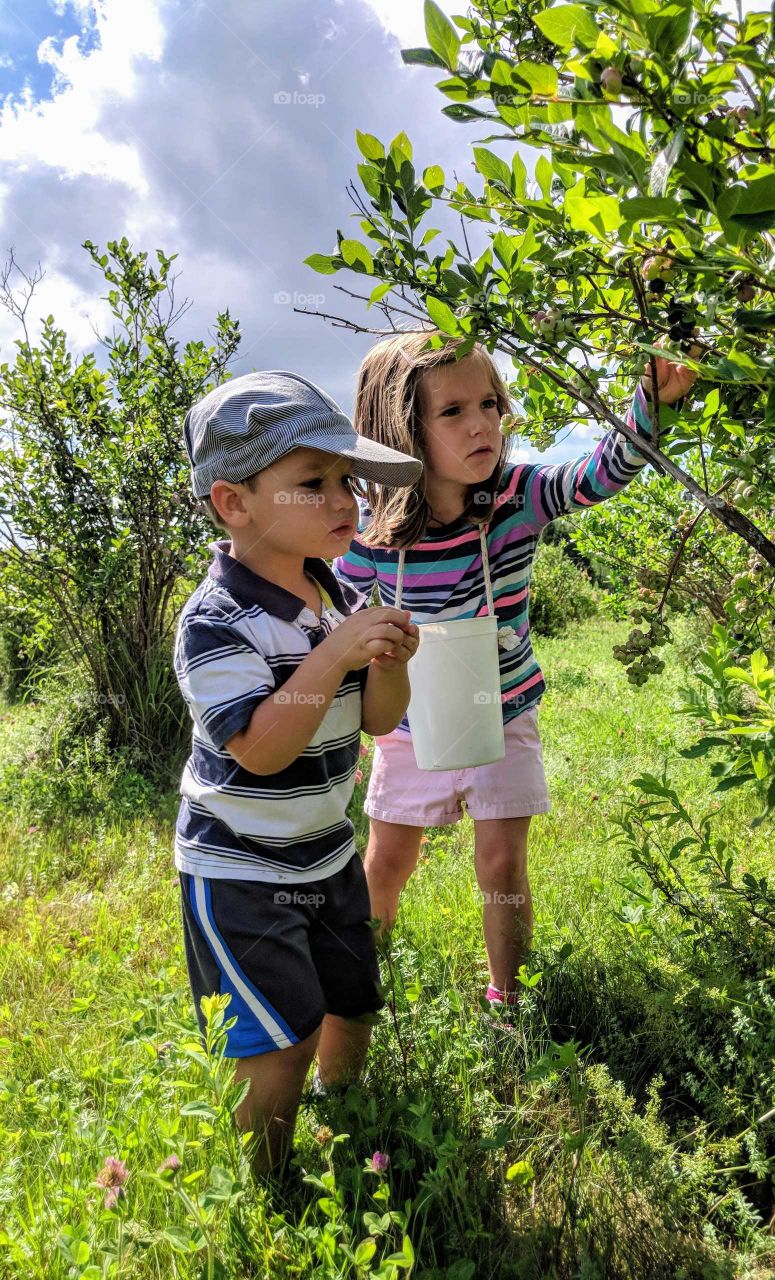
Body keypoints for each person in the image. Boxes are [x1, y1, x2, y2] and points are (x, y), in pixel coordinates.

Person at [333, 332, 697, 1019]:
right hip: (409, 725)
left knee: (502, 866)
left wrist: (650, 402)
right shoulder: (369, 534)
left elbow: (600, 473)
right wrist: (351, 716)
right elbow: (341, 631)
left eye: (491, 404)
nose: (482, 425)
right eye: (453, 412)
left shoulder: (519, 496)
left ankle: (510, 1005)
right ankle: (357, 985)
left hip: (505, 711)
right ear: (399, 427)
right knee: (386, 862)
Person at [173, 369, 421, 1178]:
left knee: (352, 1000)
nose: (345, 499)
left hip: (326, 850)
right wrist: (340, 650)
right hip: (239, 863)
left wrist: (386, 659)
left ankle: (344, 1123)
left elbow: (380, 721)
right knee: (281, 1034)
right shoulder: (215, 622)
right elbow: (262, 747)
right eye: (313, 482)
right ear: (234, 504)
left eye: (347, 480)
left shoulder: (338, 592)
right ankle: (270, 1181)